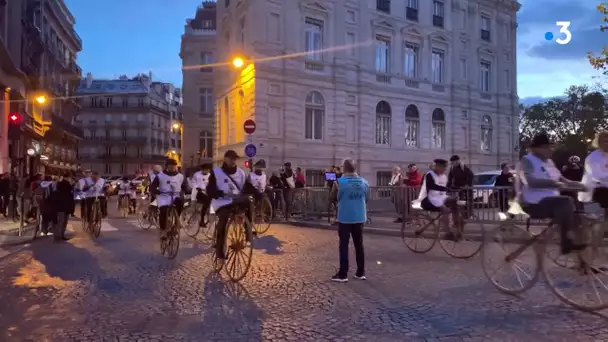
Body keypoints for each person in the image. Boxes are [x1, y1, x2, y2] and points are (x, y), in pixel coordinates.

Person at [516, 133, 585, 254]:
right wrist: (553, 183)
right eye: (546, 147)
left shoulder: (549, 163)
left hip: (551, 201)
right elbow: (530, 181)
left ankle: (580, 255)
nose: (549, 150)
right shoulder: (527, 160)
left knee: (578, 212)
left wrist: (580, 185)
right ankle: (566, 242)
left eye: (550, 147)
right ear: (536, 148)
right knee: (566, 201)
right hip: (534, 203)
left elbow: (564, 180)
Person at [206, 150, 257, 264]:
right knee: (223, 221)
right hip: (222, 202)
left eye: (234, 158)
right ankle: (220, 253)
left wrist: (257, 193)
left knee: (248, 201)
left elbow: (247, 186)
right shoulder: (216, 172)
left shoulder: (241, 172)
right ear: (225, 159)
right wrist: (218, 193)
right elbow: (210, 189)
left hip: (235, 200)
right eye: (231, 158)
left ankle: (248, 232)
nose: (233, 161)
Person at [330, 158, 369, 282]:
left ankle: (343, 274)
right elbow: (367, 198)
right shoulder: (364, 182)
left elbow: (332, 197)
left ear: (344, 168)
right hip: (360, 217)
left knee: (344, 245)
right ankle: (360, 272)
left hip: (345, 217)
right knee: (359, 244)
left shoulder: (339, 182)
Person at [413, 159, 461, 240]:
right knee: (444, 209)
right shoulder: (429, 175)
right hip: (429, 199)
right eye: (443, 167)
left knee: (455, 203)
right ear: (437, 166)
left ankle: (457, 227)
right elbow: (431, 186)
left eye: (445, 167)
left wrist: (455, 188)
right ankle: (448, 232)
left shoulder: (444, 176)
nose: (445, 169)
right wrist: (445, 188)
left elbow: (448, 186)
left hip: (441, 197)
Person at [150, 159, 189, 239]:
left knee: (181, 202)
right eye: (170, 166)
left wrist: (185, 191)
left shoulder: (180, 176)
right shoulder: (160, 176)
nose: (172, 168)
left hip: (176, 195)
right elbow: (153, 186)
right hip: (164, 196)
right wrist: (156, 191)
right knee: (163, 211)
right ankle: (163, 230)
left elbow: (185, 186)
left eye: (174, 166)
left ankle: (177, 220)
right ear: (167, 166)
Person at [580, 131, 608, 213]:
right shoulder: (592, 158)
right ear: (599, 143)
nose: (607, 143)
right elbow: (596, 176)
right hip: (597, 191)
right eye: (605, 141)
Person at [52, 173, 74, 241]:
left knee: (60, 221)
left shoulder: (59, 184)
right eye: (69, 178)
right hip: (65, 206)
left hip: (60, 206)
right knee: (63, 221)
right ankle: (60, 236)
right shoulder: (66, 184)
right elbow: (71, 193)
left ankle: (58, 235)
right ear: (67, 178)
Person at [190, 163, 212, 227]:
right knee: (193, 206)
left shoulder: (210, 175)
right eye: (204, 170)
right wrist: (197, 187)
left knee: (206, 205)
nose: (206, 171)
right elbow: (193, 182)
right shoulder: (196, 174)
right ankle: (192, 219)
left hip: (205, 192)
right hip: (196, 191)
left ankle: (202, 219)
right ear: (202, 170)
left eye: (207, 170)